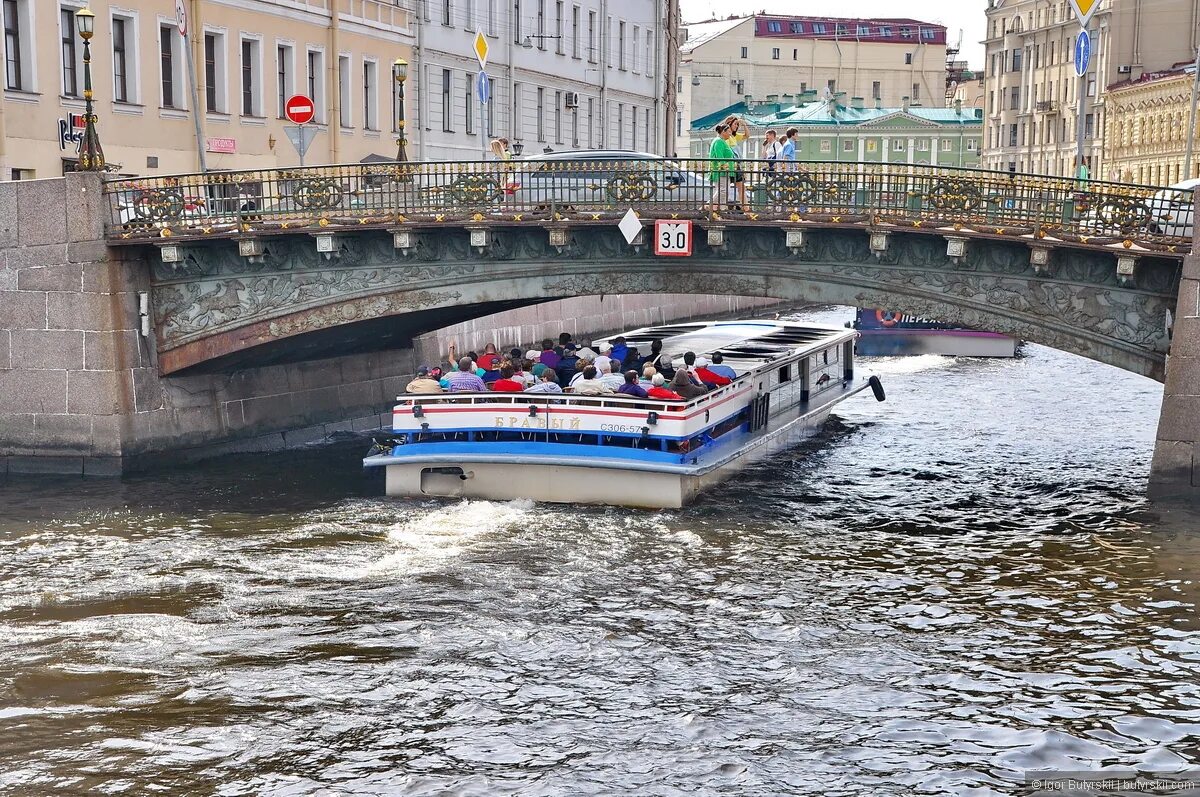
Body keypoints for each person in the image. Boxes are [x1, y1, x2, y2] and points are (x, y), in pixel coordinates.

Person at [723, 114, 750, 212]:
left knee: (741, 186)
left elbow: (747, 136)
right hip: (731, 164)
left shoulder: (734, 136)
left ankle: (745, 207)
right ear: (729, 124)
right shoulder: (726, 136)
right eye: (735, 124)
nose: (736, 126)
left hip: (736, 164)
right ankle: (744, 207)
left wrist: (744, 125)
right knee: (725, 188)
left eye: (737, 125)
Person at [707, 123, 736, 213]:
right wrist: (724, 166)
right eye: (729, 132)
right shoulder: (718, 141)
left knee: (725, 191)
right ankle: (708, 205)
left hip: (725, 170)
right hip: (720, 170)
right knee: (722, 190)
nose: (730, 134)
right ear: (723, 131)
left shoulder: (722, 141)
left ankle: (723, 209)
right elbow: (719, 156)